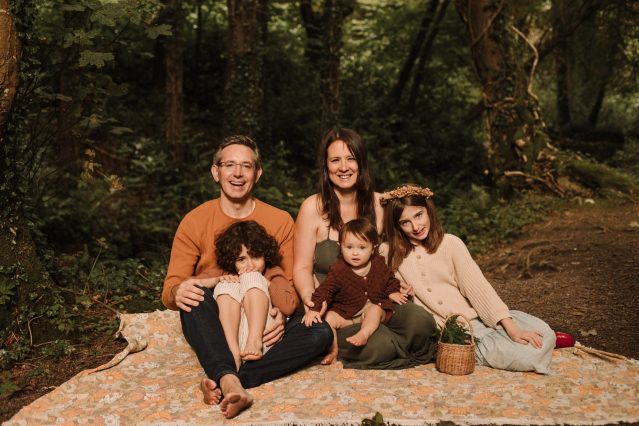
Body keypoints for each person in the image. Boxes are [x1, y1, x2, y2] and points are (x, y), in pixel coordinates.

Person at [162, 135, 333, 419]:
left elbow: (289, 283)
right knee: (192, 297)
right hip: (219, 319)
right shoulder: (194, 221)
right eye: (229, 165)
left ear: (258, 173)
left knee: (320, 332)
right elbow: (171, 288)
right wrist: (179, 291)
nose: (238, 173)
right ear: (216, 172)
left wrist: (282, 315)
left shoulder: (279, 220)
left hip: (266, 316)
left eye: (246, 166)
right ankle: (231, 375)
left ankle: (228, 376)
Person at [293, 128, 437, 368]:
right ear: (326, 166)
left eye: (350, 158)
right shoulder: (312, 207)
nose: (343, 167)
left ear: (361, 163)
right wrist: (312, 301)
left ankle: (391, 340)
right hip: (338, 310)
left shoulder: (381, 204)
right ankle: (372, 344)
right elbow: (301, 267)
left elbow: (405, 241)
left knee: (422, 322)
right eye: (335, 160)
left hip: (379, 301)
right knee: (380, 346)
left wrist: (400, 282)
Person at [380, 183, 555, 374]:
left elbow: (479, 288)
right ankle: (479, 351)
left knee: (543, 333)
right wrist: (397, 289)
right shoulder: (388, 252)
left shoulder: (450, 243)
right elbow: (378, 286)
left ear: (428, 210)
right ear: (397, 226)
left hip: (474, 321)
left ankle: (528, 341)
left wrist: (513, 330)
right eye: (405, 222)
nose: (416, 227)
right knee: (523, 356)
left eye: (418, 215)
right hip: (443, 334)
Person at [303, 218, 409, 354]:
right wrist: (315, 308)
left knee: (376, 310)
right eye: (349, 247)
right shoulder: (338, 270)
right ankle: (333, 350)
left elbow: (390, 279)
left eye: (362, 248)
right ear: (340, 247)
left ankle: (364, 334)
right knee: (329, 317)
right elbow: (325, 290)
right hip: (346, 314)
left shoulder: (378, 264)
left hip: (369, 312)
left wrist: (392, 292)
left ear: (373, 248)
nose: (355, 253)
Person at [191, 220, 284, 371]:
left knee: (251, 276)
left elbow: (289, 305)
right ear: (232, 260)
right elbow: (188, 285)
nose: (250, 265)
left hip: (264, 338)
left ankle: (254, 341)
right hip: (233, 341)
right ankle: (232, 353)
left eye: (255, 256)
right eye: (241, 259)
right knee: (226, 283)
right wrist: (216, 280)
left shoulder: (273, 272)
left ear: (265, 255)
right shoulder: (224, 272)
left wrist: (265, 282)